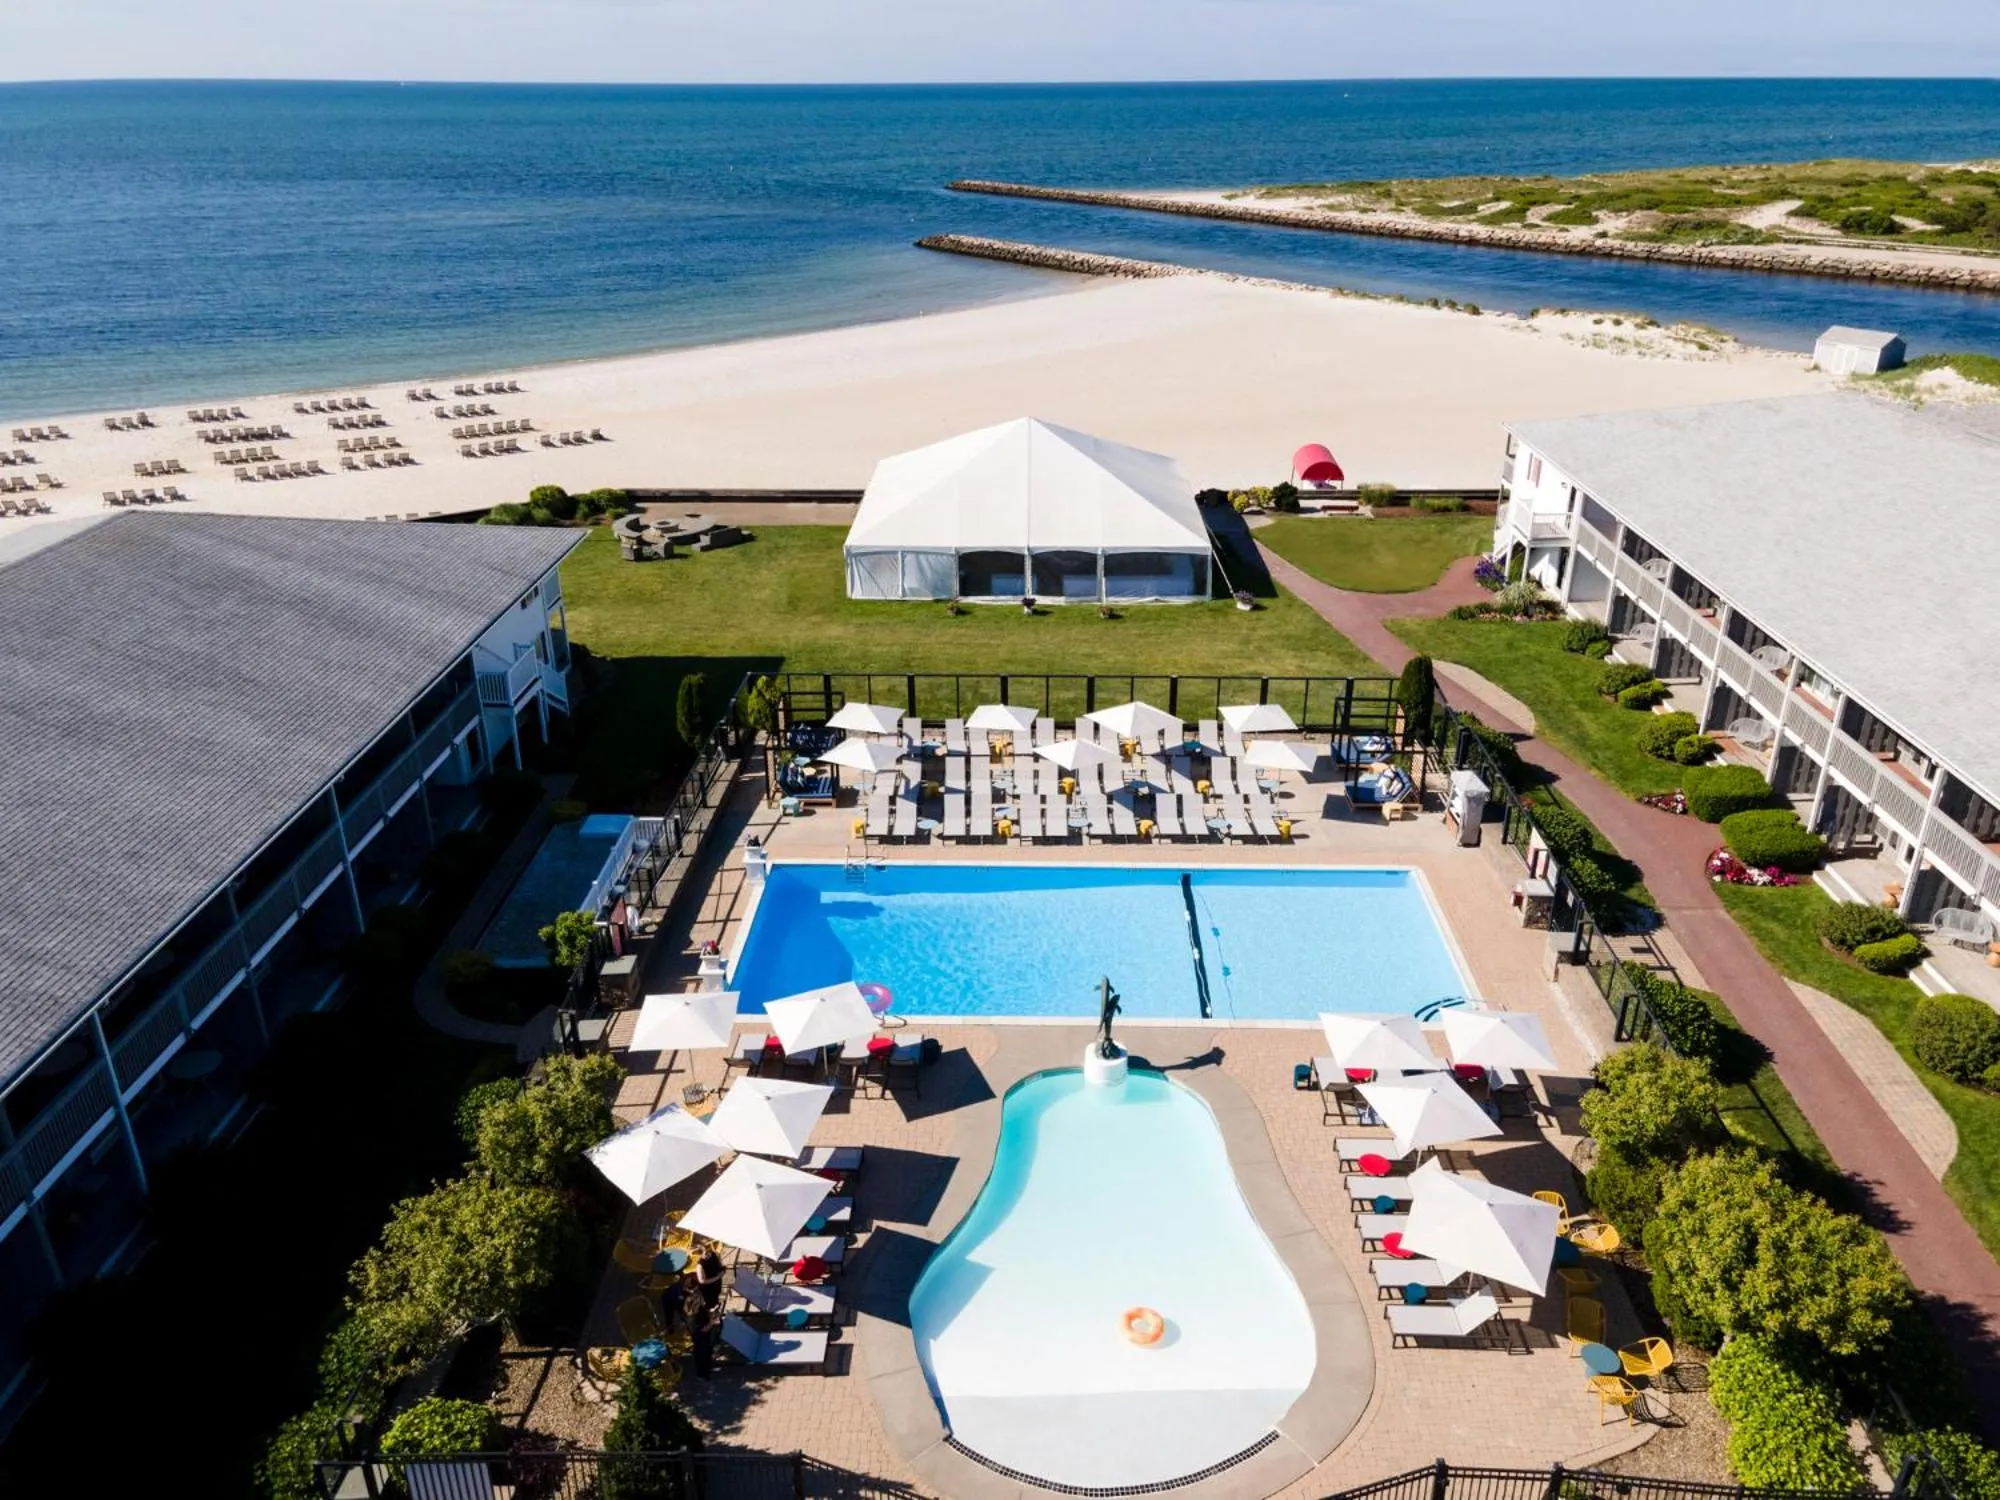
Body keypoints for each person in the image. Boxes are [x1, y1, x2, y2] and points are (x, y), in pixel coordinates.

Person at [686, 1293, 719, 1379]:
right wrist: (712, 1322)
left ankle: (703, 1371)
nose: (703, 1302)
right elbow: (703, 1329)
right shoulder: (697, 1316)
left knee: (702, 1355)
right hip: (702, 1339)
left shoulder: (694, 1312)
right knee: (703, 1356)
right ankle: (703, 1374)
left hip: (699, 1338)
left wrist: (711, 1312)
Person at [691, 1246, 725, 1313]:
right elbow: (702, 1281)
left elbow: (719, 1262)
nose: (707, 1253)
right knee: (710, 1300)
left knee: (716, 1295)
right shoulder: (700, 1265)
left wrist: (722, 1268)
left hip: (716, 1282)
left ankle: (716, 1306)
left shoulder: (713, 1253)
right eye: (705, 1252)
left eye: (707, 1251)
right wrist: (717, 1277)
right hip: (709, 1287)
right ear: (700, 1254)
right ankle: (710, 1311)